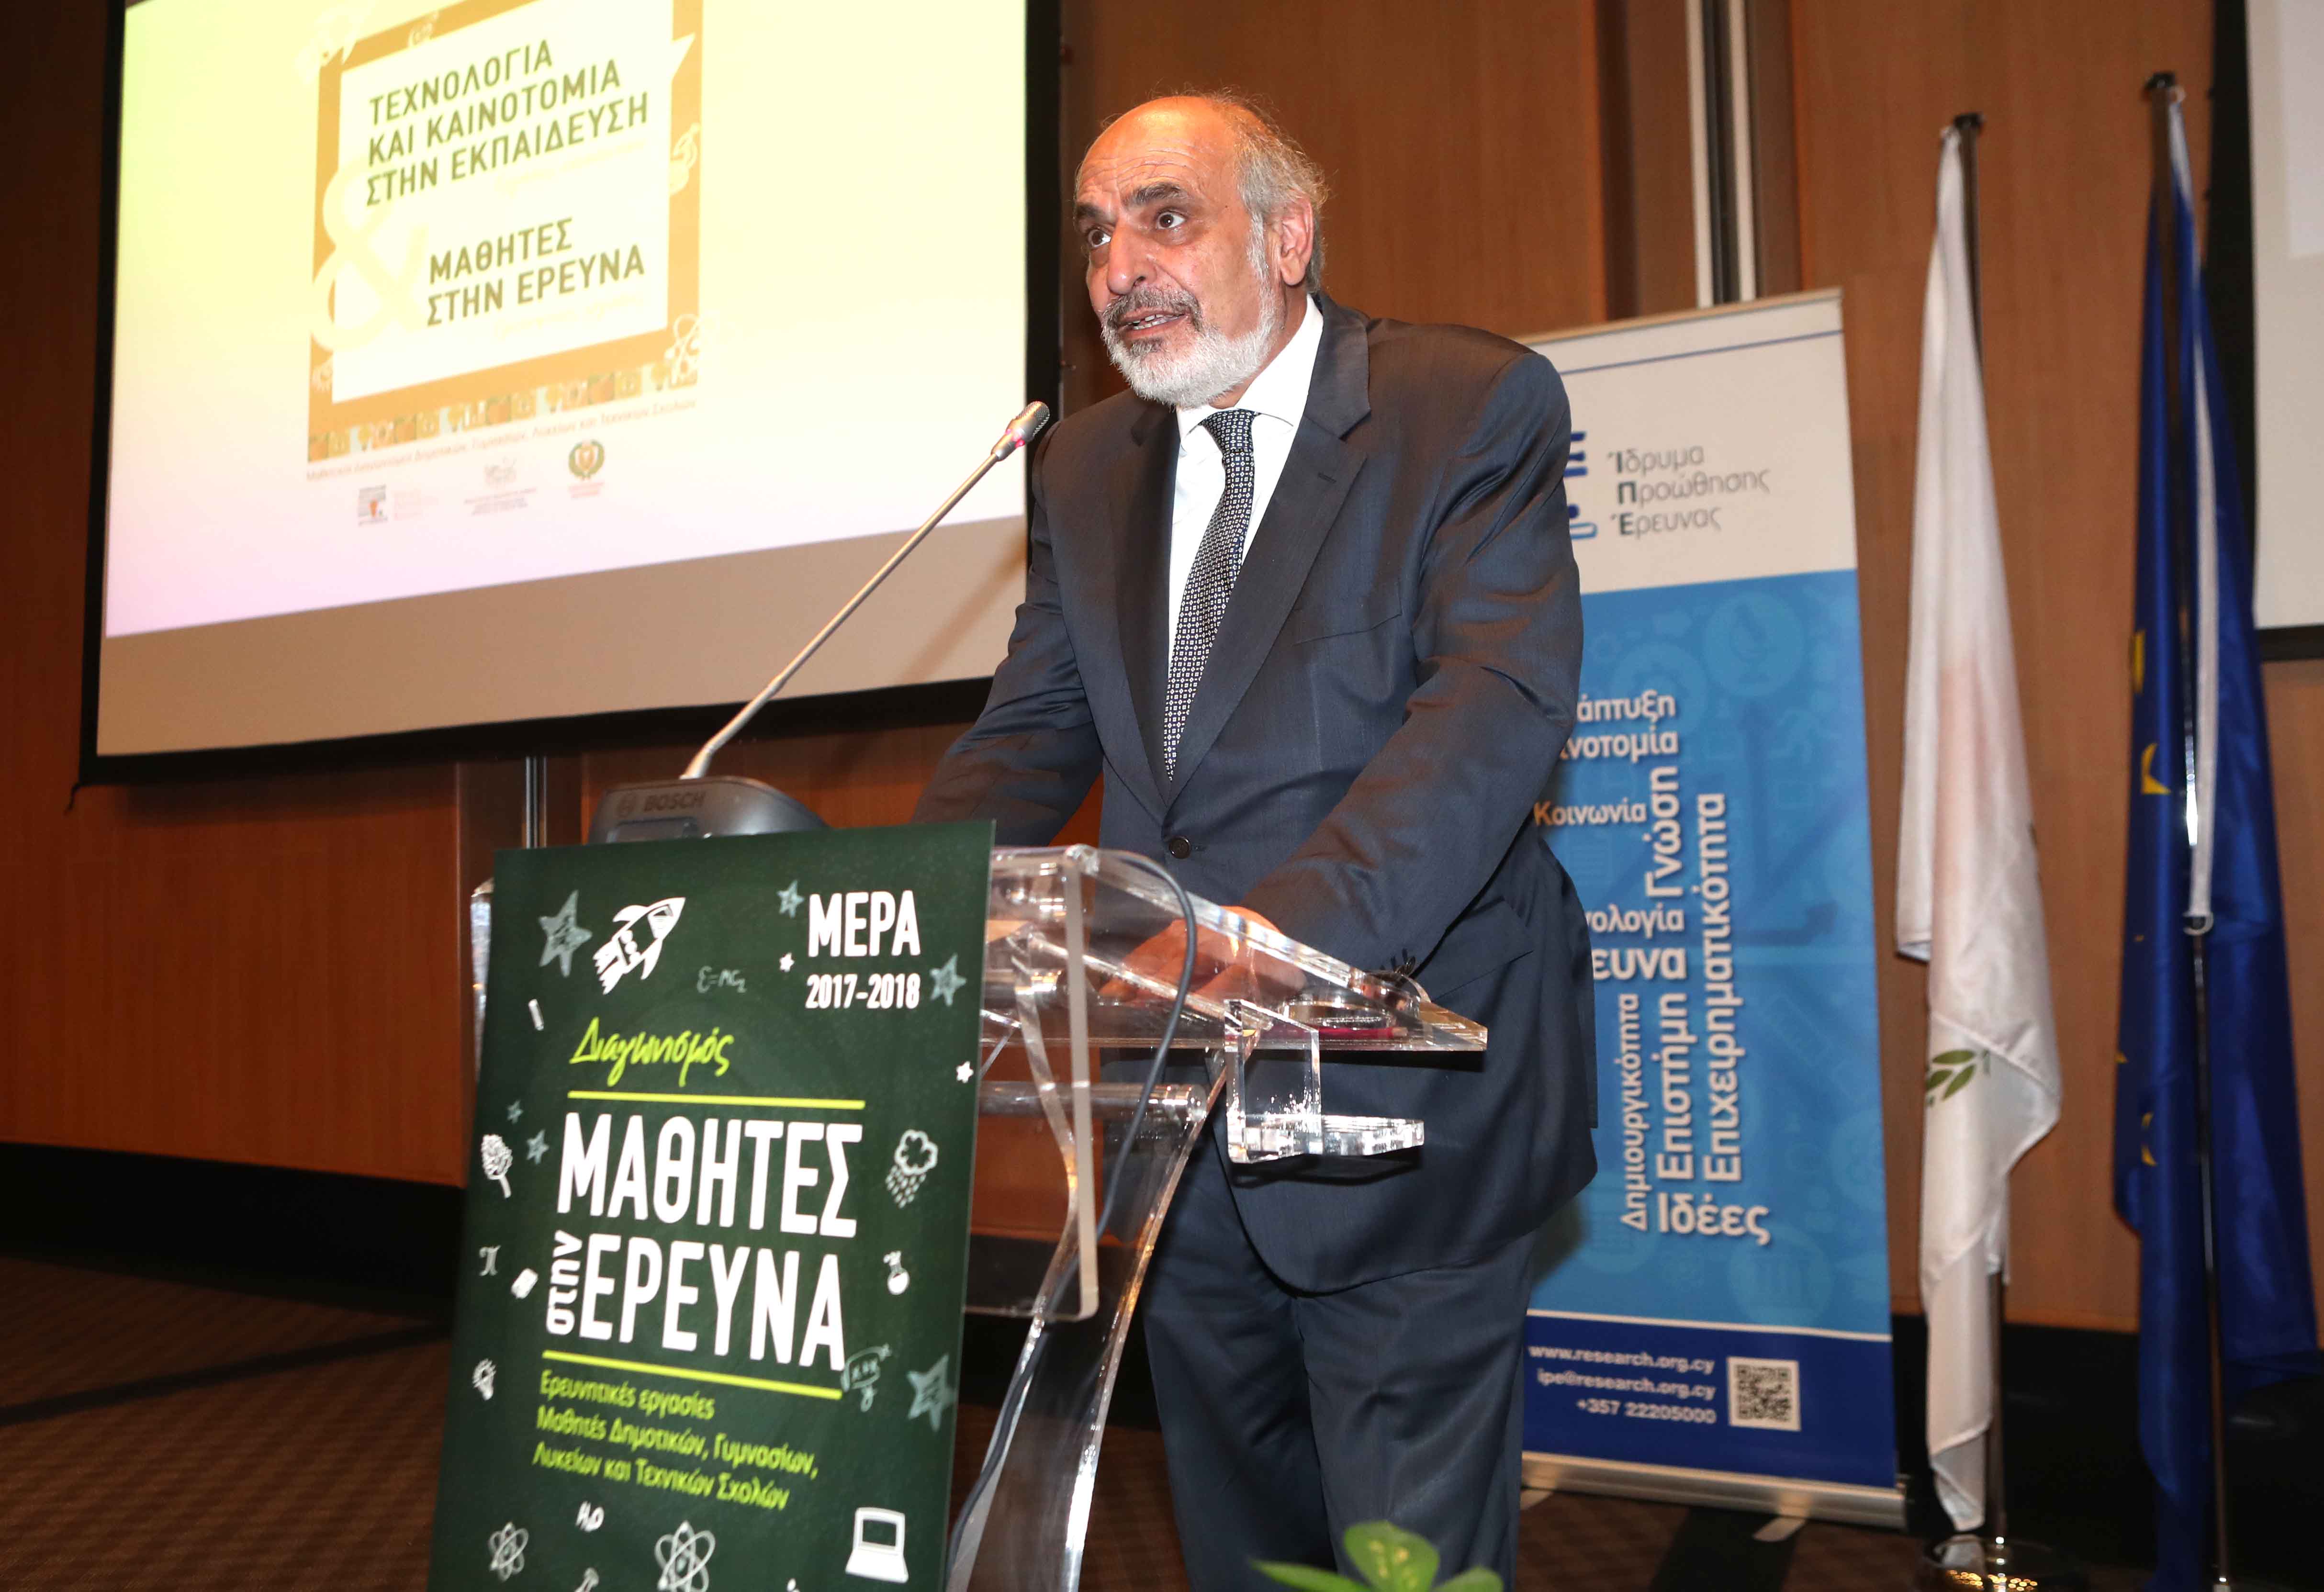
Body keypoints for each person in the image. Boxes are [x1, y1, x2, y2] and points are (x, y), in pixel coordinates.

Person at [914, 92, 1595, 1586]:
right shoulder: (1087, 470)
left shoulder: (1463, 407)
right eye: (1098, 234)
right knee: (1246, 1552)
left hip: (1404, 1105)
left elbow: (1491, 711)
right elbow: (1036, 729)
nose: (1120, 268)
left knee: (1402, 1557)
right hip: (1170, 1126)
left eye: (1166, 217)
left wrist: (1264, 952)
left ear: (1289, 238)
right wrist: (896, 909)